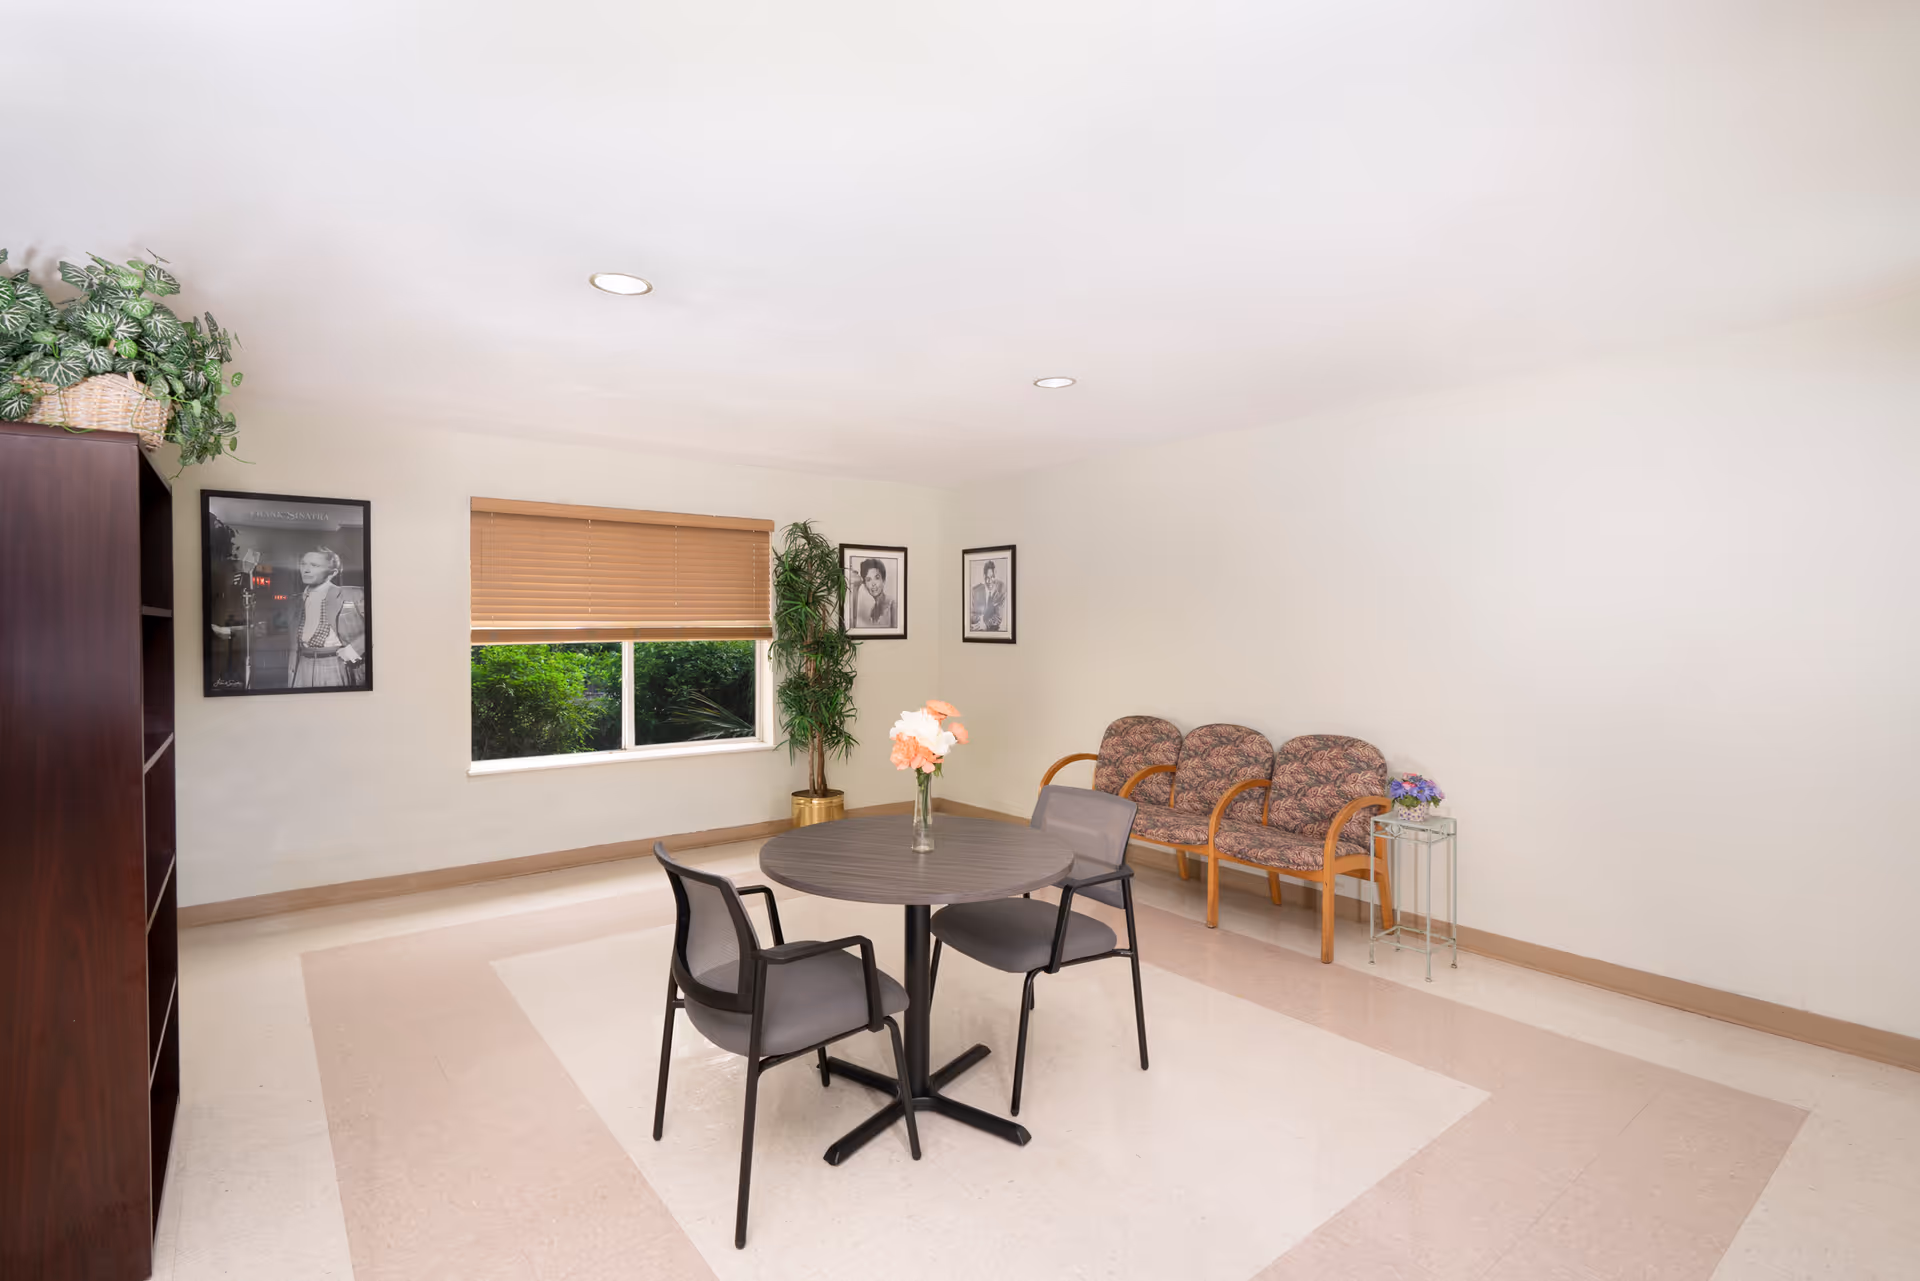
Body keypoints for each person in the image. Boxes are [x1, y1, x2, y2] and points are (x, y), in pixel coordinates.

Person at [288, 546, 368, 688]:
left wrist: (355, 649)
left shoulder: (354, 594)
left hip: (335, 665)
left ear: (332, 573)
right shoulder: (296, 601)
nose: (306, 570)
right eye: (303, 564)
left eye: (314, 565)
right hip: (302, 665)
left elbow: (382, 625)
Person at [856, 557, 896, 629]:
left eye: (877, 578)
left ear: (883, 580)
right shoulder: (873, 610)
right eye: (868, 580)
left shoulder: (893, 605)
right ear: (865, 584)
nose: (873, 584)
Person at [969, 558, 1006, 632]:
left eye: (992, 577)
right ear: (983, 576)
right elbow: (970, 614)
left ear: (995, 576)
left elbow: (998, 617)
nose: (989, 581)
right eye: (987, 578)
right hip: (977, 630)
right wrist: (980, 620)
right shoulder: (975, 591)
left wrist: (985, 624)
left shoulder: (1001, 588)